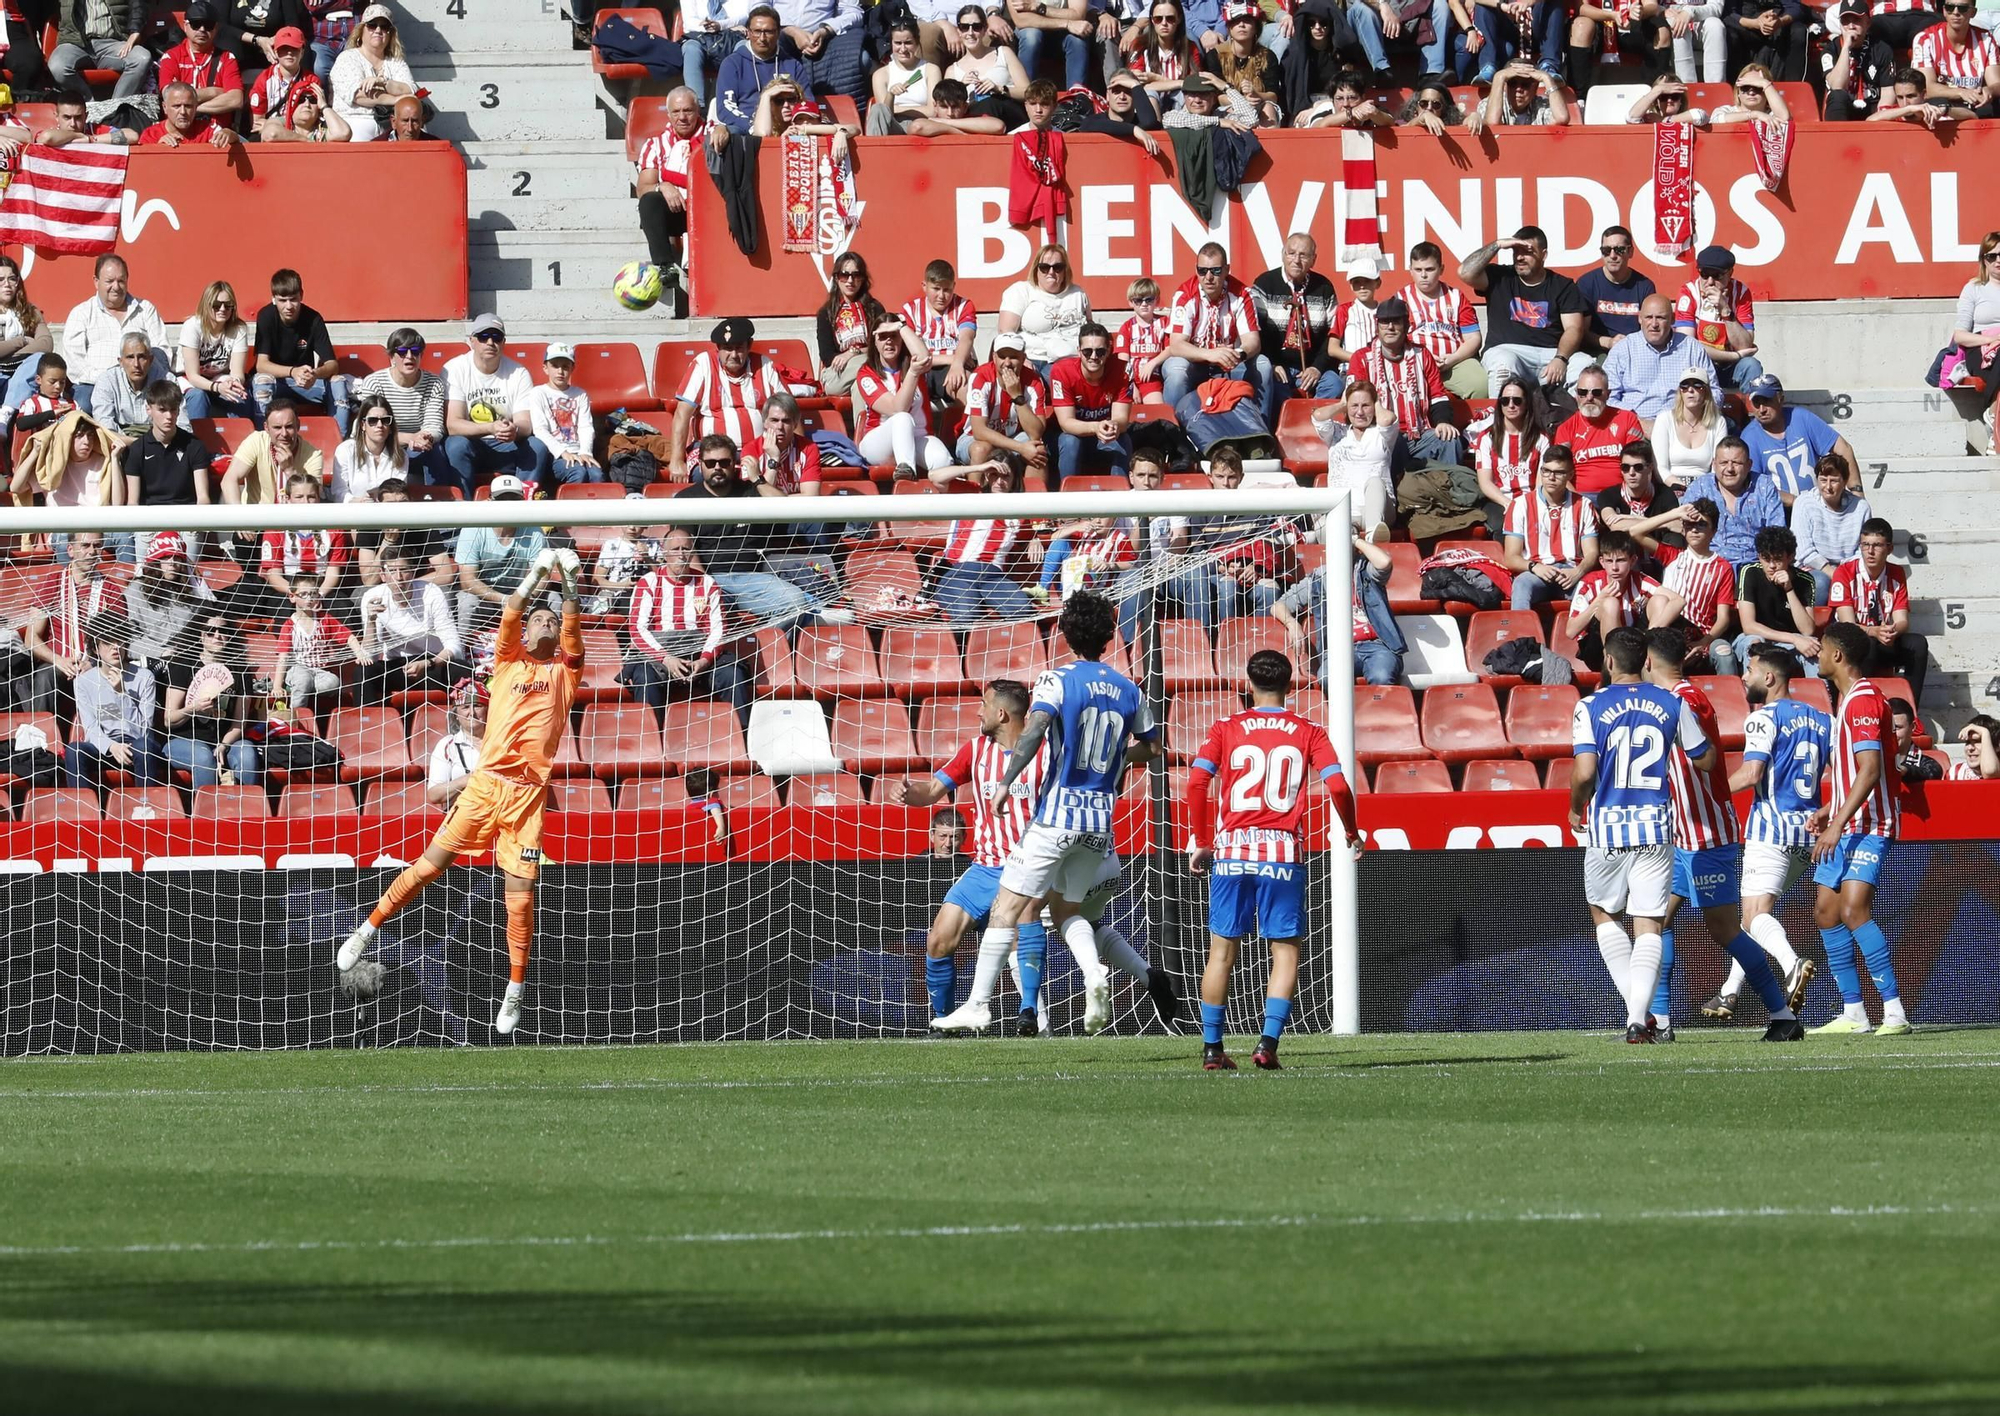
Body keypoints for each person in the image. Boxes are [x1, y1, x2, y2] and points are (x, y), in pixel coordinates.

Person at [339, 547, 587, 1036]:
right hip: (485, 785)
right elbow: (513, 609)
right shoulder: (507, 662)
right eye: (537, 618)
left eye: (549, 621)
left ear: (557, 633)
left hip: (528, 797)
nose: (541, 623)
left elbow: (575, 633)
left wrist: (572, 586)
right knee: (429, 866)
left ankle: (514, 989)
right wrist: (539, 574)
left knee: (520, 898)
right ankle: (367, 930)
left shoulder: (565, 673)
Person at [968, 591, 1164, 1036]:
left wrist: (1004, 781)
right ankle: (1095, 971)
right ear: (1110, 636)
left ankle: (980, 1005)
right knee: (1067, 912)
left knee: (1009, 906)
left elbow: (1035, 728)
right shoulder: (1128, 688)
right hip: (1100, 821)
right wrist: (1118, 761)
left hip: (1058, 814)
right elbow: (1154, 748)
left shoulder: (1055, 680)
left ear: (1064, 632)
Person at [1184, 648, 1355, 1070]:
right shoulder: (1308, 730)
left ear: (1248, 685)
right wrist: (1352, 831)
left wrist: (1202, 839)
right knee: (1286, 951)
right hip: (1282, 850)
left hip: (1232, 850)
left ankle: (1212, 1049)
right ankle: (1267, 1045)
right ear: (1290, 684)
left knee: (1221, 952)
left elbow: (1196, 783)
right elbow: (1337, 787)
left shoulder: (1227, 727)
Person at [1643, 627, 1806, 1042]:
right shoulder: (1679, 698)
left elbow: (1705, 759)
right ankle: (1658, 1022)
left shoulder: (1684, 700)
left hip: (1707, 835)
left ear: (1647, 661)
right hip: (1684, 834)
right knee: (1654, 921)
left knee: (1726, 930)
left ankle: (1782, 1016)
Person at [1568, 626, 1715, 1044]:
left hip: (1609, 828)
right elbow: (1705, 759)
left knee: (1605, 915)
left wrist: (1575, 807)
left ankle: (1639, 1016)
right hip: (1656, 825)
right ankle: (1639, 1019)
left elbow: (1583, 772)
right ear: (1646, 662)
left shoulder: (1589, 706)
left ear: (1609, 662)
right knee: (1648, 924)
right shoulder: (1671, 702)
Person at [895, 679, 1055, 1027]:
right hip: (984, 868)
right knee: (938, 941)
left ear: (1000, 713)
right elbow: (934, 790)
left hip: (1027, 868)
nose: (977, 711)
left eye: (983, 705)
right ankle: (944, 1024)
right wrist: (912, 793)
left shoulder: (1047, 751)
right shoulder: (976, 750)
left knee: (1015, 948)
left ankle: (1038, 1022)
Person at [1702, 642, 1826, 1020]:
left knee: (1754, 916)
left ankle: (1791, 965)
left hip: (1771, 829)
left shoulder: (1763, 717)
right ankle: (1729, 992)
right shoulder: (1824, 720)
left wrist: (1710, 791)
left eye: (1750, 669)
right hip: (1807, 832)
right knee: (1755, 917)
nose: (1744, 676)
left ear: (1769, 677)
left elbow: (1752, 773)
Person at [1805, 622, 1909, 1036]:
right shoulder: (1847, 700)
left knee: (1852, 910)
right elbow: (1856, 774)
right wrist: (1829, 810)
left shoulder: (1864, 700)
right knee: (1826, 913)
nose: (1816, 655)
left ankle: (1895, 1011)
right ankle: (1853, 1012)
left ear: (1838, 656)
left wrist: (1836, 825)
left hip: (1871, 824)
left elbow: (1869, 771)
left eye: (1822, 650)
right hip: (1848, 821)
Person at [673, 435, 821, 629]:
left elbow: (785, 508)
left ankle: (768, 652)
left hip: (752, 579)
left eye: (724, 462)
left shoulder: (750, 491)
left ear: (734, 464)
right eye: (710, 462)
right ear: (701, 465)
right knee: (706, 611)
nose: (717, 467)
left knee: (795, 601)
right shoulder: (686, 499)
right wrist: (703, 586)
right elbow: (684, 549)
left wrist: (757, 479)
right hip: (710, 579)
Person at [621, 527, 757, 727]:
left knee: (733, 674)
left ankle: (742, 739)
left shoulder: (707, 583)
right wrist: (666, 658)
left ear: (693, 552)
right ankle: (650, 744)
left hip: (699, 655)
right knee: (644, 676)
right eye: (675, 549)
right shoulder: (648, 582)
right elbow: (637, 629)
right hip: (661, 656)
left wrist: (704, 661)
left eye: (686, 548)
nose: (681, 554)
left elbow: (718, 629)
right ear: (664, 552)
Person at [1460, 225, 1589, 398]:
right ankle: (1502, 422)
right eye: (1516, 251)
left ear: (1544, 255)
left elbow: (1574, 328)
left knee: (1584, 365)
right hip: (1508, 351)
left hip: (1551, 354)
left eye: (1527, 252)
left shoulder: (1562, 285)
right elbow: (1465, 272)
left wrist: (1561, 358)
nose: (1520, 257)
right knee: (1503, 363)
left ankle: (1577, 424)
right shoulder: (1499, 277)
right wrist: (1497, 245)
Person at [1345, 296, 1462, 472]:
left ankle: (1449, 495)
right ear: (1377, 326)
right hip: (1379, 435)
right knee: (1392, 440)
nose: (1390, 327)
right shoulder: (1361, 358)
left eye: (1396, 321)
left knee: (1449, 439)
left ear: (1406, 325)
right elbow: (1354, 402)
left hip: (1419, 434)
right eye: (1384, 322)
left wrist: (1443, 421)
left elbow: (1438, 395)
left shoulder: (1422, 354)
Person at [1273, 533, 1404, 686]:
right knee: (1328, 677)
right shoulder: (1320, 577)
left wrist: (1354, 539)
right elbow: (1278, 605)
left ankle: (1377, 709)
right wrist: (1292, 624)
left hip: (1377, 645)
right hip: (1338, 649)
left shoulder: (1365, 570)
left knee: (1381, 676)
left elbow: (1384, 562)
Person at [17, 530, 116, 722]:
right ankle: (40, 742)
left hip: (96, 664)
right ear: (70, 550)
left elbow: (119, 640)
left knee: (112, 675)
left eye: (97, 546)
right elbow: (31, 638)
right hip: (59, 664)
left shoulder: (111, 589)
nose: (92, 552)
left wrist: (95, 662)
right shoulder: (52, 583)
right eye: (85, 545)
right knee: (46, 676)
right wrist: (58, 660)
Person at [1830, 517, 1929, 701]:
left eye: (1877, 545)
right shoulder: (1844, 572)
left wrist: (1891, 631)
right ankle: (1860, 706)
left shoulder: (1897, 573)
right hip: (1851, 643)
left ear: (1889, 549)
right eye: (1865, 545)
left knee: (1918, 645)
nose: (1870, 551)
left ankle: (1910, 710)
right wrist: (1873, 631)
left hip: (1882, 638)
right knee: (1868, 644)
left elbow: (1902, 621)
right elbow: (1847, 625)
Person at [1162, 241, 1268, 412]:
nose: (1208, 277)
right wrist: (1210, 354)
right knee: (1176, 369)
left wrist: (1238, 355)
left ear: (1227, 269)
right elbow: (1176, 345)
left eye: (1215, 271)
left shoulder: (1242, 294)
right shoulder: (1185, 295)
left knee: (1263, 365)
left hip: (1230, 361)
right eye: (1202, 271)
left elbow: (1253, 341)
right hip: (1195, 362)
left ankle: (1260, 432)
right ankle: (1172, 433)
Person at [162, 610, 262, 789]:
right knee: (203, 757)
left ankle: (247, 810)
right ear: (201, 635)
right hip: (184, 741)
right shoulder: (182, 665)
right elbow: (169, 720)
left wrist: (224, 745)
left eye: (223, 631)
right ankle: (207, 813)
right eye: (210, 631)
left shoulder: (240, 670)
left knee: (246, 753)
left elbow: (239, 723)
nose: (217, 636)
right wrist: (193, 709)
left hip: (226, 741)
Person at [1564, 529, 1683, 672]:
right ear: (1601, 562)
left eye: (1620, 560)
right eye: (1609, 561)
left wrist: (1649, 635)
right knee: (1610, 603)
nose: (1614, 567)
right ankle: (1616, 670)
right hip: (1597, 650)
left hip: (1634, 644)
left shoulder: (1639, 579)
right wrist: (1598, 601)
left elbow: (1679, 601)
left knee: (1660, 600)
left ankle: (1650, 666)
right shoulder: (1590, 583)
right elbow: (1571, 631)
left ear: (1633, 561)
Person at [1250, 232, 1344, 414]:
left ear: (1313, 259)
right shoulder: (1264, 284)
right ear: (1283, 254)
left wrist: (1317, 367)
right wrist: (1273, 364)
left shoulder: (1324, 287)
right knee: (1273, 388)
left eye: (1303, 255)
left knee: (1335, 384)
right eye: (1291, 253)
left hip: (1311, 367)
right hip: (1278, 367)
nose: (1296, 260)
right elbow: (1256, 331)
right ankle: (1281, 432)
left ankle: (1313, 424)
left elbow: (1333, 333)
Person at [442, 313, 537, 492]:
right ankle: (464, 511)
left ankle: (525, 508)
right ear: (472, 341)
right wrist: (491, 427)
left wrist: (514, 430)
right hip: (472, 443)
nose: (490, 343)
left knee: (537, 447)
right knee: (455, 445)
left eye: (496, 337)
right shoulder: (455, 368)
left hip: (506, 443)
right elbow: (453, 425)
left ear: (504, 342)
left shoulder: (519, 372)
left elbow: (525, 423)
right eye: (483, 337)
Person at [254, 269, 351, 434]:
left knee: (338, 382)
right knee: (261, 381)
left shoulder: (313, 319)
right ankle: (263, 442)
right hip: (279, 382)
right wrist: (293, 371)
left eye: (293, 299)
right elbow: (261, 365)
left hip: (307, 383)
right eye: (282, 300)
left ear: (302, 295)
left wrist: (315, 374)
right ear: (273, 299)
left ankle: (338, 444)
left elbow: (332, 364)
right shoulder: (266, 316)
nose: (288, 306)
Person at [67, 626, 165, 791]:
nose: (116, 647)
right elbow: (90, 728)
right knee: (74, 750)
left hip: (138, 746)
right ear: (95, 649)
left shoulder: (144, 677)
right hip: (106, 747)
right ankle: (84, 811)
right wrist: (111, 746)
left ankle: (146, 807)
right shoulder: (83, 682)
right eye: (107, 642)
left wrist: (121, 694)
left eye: (119, 641)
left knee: (143, 746)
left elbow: (143, 730)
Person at [356, 551, 461, 703]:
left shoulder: (431, 592)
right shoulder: (372, 597)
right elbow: (369, 656)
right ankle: (367, 723)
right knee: (363, 671)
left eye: (404, 570)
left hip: (431, 663)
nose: (399, 577)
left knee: (461, 668)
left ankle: (465, 723)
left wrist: (428, 663)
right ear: (383, 575)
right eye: (392, 571)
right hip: (397, 665)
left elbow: (455, 646)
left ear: (412, 573)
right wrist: (371, 621)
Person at [935, 458, 1033, 621]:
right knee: (967, 616)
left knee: (1022, 610)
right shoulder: (971, 494)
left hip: (994, 577)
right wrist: (979, 467)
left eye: (1006, 476)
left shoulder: (1020, 512)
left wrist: (1034, 539)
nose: (1000, 482)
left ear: (1014, 480)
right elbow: (935, 477)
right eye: (994, 475)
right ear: (987, 476)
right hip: (959, 572)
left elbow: (1042, 531)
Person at [1740, 374, 1858, 507]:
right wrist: (1797, 503)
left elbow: (1843, 449)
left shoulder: (1801, 417)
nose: (1761, 409)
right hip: (1779, 512)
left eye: (1767, 401)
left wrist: (1857, 492)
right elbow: (1755, 485)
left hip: (1819, 504)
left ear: (1781, 399)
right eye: (1756, 403)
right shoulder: (1749, 437)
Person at [1503, 445, 1598, 609]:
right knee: (1521, 585)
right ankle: (1521, 634)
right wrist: (1535, 567)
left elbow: (1592, 552)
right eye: (1546, 471)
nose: (1551, 477)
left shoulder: (1584, 505)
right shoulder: (1519, 505)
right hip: (1536, 572)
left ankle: (1588, 634)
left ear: (1570, 474)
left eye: (1559, 473)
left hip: (1571, 571)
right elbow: (1511, 557)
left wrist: (1578, 572)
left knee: (1595, 589)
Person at [354, 329, 449, 489]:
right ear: (391, 357)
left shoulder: (434, 383)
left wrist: (425, 439)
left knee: (436, 449)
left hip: (418, 447)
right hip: (383, 444)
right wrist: (410, 438)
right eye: (403, 352)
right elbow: (368, 427)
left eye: (416, 351)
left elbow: (434, 426)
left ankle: (438, 499)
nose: (410, 356)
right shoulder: (374, 382)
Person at [854, 317, 950, 476]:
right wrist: (913, 373)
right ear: (875, 343)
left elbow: (924, 356)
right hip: (878, 442)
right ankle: (906, 471)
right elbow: (897, 408)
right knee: (902, 418)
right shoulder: (866, 374)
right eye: (883, 337)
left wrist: (901, 326)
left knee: (943, 461)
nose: (889, 342)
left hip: (919, 436)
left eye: (894, 336)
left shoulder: (914, 363)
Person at [1602, 294, 1716, 424]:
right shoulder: (1622, 349)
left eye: (1661, 318)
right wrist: (1637, 421)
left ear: (1673, 319)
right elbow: (1607, 397)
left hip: (1684, 425)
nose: (1654, 324)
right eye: (1649, 317)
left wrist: (1694, 417)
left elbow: (1714, 392)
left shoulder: (1692, 348)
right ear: (1640, 318)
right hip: (1634, 427)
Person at [454, 474, 546, 636]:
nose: (508, 505)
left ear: (522, 502)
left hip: (524, 597)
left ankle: (552, 655)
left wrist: (521, 598)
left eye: (513, 499)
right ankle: (461, 656)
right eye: (502, 499)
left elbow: (542, 578)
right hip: (485, 598)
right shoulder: (473, 529)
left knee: (554, 600)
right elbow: (467, 581)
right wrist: (503, 599)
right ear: (490, 501)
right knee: (467, 602)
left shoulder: (534, 531)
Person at [1659, 499, 1740, 674]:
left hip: (1706, 637)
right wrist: (1675, 514)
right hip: (1673, 634)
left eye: (1702, 524)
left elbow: (1723, 619)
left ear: (1714, 531)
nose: (1694, 529)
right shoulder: (1672, 556)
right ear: (1683, 528)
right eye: (1689, 524)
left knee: (1724, 653)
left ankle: (1730, 701)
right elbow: (1635, 533)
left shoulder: (1723, 567)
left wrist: (1703, 643)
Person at [1046, 322, 1133, 482]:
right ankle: (1068, 499)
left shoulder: (1123, 371)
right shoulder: (1061, 371)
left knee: (1123, 439)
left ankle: (1120, 497)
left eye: (1100, 351)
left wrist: (1113, 426)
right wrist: (1096, 426)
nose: (1093, 356)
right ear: (1079, 351)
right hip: (1066, 438)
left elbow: (1122, 419)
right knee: (1070, 440)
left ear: (1108, 352)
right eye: (1087, 351)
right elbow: (1066, 423)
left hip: (1102, 437)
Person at [1311, 379, 1396, 542]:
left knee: (1375, 481)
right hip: (1344, 510)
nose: (1360, 412)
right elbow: (1318, 416)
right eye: (1354, 406)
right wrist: (1342, 403)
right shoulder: (1337, 432)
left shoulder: (1382, 434)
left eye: (1366, 405)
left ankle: (1374, 535)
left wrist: (1376, 401)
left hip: (1379, 510)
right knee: (1323, 528)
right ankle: (1354, 540)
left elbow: (1387, 420)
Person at [1401, 240, 1487, 402]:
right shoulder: (1400, 299)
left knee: (1481, 384)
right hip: (1416, 363)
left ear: (1441, 269)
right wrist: (1423, 359)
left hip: (1454, 362)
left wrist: (1451, 359)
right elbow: (1394, 339)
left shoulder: (1456, 297)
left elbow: (1473, 338)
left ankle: (1475, 424)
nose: (1424, 275)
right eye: (1418, 270)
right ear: (1410, 270)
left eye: (1430, 269)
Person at [1674, 245, 1764, 393]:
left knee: (1752, 365)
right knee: (1686, 364)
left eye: (1716, 275)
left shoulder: (1741, 292)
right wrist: (1733, 356)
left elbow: (1745, 345)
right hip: (1701, 363)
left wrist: (1725, 310)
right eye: (1704, 274)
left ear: (1730, 273)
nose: (1709, 282)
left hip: (1732, 367)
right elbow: (1688, 346)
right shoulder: (1688, 292)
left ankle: (1751, 412)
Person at [1684, 437, 1784, 569]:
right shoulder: (1700, 487)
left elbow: (1776, 532)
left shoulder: (1764, 486)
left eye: (1737, 463)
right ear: (1714, 464)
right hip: (1711, 565)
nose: (1730, 468)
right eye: (1723, 463)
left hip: (1756, 565)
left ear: (1749, 465)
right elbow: (1688, 529)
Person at [1732, 524, 1820, 672]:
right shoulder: (1749, 573)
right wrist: (1793, 639)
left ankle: (1818, 694)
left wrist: (1789, 589)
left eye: (1778, 559)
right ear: (1759, 556)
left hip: (1790, 641)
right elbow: (1749, 626)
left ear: (1790, 557)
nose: (1772, 565)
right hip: (1757, 637)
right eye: (1766, 559)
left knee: (1813, 646)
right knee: (1755, 644)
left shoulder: (1805, 580)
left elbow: (1807, 630)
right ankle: (1755, 693)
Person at [1468, 375, 1548, 533]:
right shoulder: (1486, 438)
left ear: (1526, 404)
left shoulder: (1541, 438)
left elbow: (1541, 482)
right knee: (1504, 525)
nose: (1511, 405)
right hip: (1498, 500)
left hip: (1532, 499)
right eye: (1505, 401)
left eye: (1517, 401)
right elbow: (1485, 483)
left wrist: (1528, 505)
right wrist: (1507, 503)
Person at [124, 531, 215, 668]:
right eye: (166, 557)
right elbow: (129, 642)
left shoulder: (194, 590)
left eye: (176, 558)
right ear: (156, 560)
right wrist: (161, 652)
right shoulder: (136, 591)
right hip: (149, 661)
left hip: (188, 659)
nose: (172, 563)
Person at [959, 331, 1049, 470]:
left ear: (1023, 357)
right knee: (981, 449)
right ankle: (975, 491)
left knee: (1037, 451)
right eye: (1002, 356)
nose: (1007, 363)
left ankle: (1033, 491)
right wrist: (1020, 448)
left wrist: (1017, 397)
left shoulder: (1034, 381)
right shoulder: (981, 377)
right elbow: (979, 431)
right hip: (975, 439)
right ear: (994, 357)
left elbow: (1036, 433)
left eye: (1013, 357)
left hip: (1014, 435)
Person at [997, 243, 1091, 374]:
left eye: (1058, 267)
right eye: (1045, 267)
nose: (1051, 272)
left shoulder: (1078, 293)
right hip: (1035, 359)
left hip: (1074, 360)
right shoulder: (1021, 291)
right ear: (1036, 269)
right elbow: (1005, 331)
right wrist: (1021, 359)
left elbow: (1090, 331)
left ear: (1065, 271)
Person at [900, 259, 979, 412]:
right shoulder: (910, 310)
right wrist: (955, 358)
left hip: (951, 370)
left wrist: (956, 365)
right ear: (924, 286)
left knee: (966, 388)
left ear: (954, 286)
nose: (941, 296)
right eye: (936, 289)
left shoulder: (964, 306)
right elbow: (913, 355)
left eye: (947, 289)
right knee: (900, 390)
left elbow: (967, 337)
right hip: (920, 371)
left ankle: (969, 433)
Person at [1552, 365, 1644, 496]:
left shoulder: (1627, 419)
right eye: (1583, 392)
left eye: (1596, 393)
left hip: (1622, 496)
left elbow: (1639, 464)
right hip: (1581, 497)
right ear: (1576, 395)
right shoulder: (1566, 429)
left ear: (1608, 394)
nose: (1589, 397)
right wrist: (1579, 504)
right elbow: (1559, 473)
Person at [121, 382, 214, 512]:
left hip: (186, 518)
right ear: (148, 409)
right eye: (162, 410)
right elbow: (133, 503)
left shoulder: (194, 446)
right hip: (148, 519)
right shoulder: (137, 449)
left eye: (173, 409)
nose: (169, 416)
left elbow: (203, 498)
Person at [274, 580, 367, 710]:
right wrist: (277, 686)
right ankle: (296, 714)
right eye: (304, 594)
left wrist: (359, 653)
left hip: (319, 671)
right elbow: (283, 657)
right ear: (292, 597)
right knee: (302, 679)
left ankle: (300, 689)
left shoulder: (325, 619)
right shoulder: (289, 626)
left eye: (313, 594)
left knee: (333, 682)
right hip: (297, 668)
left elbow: (349, 636)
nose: (309, 598)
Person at [1792, 456, 1872, 605]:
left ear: (1845, 481)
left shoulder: (1861, 507)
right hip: (1811, 568)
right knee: (1821, 583)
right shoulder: (1804, 503)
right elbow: (1803, 551)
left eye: (1834, 481)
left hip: (1848, 568)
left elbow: (1863, 549)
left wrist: (1844, 571)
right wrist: (1832, 572)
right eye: (1823, 480)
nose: (1828, 486)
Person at [329, 4, 416, 141]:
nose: (378, 30)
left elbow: (410, 89)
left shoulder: (396, 62)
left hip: (393, 123)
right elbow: (359, 96)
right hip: (356, 120)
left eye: (384, 26)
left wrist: (383, 83)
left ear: (390, 33)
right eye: (372, 25)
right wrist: (395, 99)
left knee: (416, 127)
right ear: (361, 30)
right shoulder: (348, 58)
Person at [222, 397, 320, 513]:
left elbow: (313, 499)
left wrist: (290, 471)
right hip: (255, 521)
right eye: (277, 428)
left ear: (297, 426)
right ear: (266, 428)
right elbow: (229, 480)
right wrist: (240, 518)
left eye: (289, 427)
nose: (284, 434)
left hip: (295, 520)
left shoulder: (314, 455)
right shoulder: (256, 441)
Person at [1595, 441, 1685, 565]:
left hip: (1657, 554)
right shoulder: (1609, 494)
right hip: (1623, 558)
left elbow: (1677, 525)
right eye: (1625, 467)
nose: (1631, 473)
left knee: (1675, 538)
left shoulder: (1665, 493)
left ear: (1650, 468)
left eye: (1638, 467)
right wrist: (1665, 523)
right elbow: (1616, 526)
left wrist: (1631, 519)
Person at [177, 281, 255, 422]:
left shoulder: (238, 329)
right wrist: (217, 387)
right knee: (198, 396)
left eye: (228, 305)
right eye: (217, 305)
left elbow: (237, 373)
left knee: (239, 394)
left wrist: (235, 383)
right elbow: (193, 375)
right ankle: (198, 441)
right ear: (206, 305)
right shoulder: (192, 327)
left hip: (220, 376)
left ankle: (240, 439)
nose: (223, 309)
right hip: (189, 379)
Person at [159, 2, 246, 125]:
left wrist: (193, 109)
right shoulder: (171, 57)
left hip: (217, 134)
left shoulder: (227, 58)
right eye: (196, 24)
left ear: (216, 28)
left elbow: (236, 100)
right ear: (185, 26)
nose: (202, 29)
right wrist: (215, 92)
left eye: (208, 25)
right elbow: (170, 97)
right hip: (180, 132)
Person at [774, 0, 871, 110]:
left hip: (825, 35)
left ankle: (842, 113)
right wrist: (790, 31)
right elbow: (756, 9)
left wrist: (827, 29)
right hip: (778, 31)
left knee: (862, 59)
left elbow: (853, 12)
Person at [50, 0, 155, 98]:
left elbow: (138, 3)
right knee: (57, 66)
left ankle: (116, 109)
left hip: (112, 42)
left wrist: (135, 30)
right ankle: (88, 107)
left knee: (141, 59)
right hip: (74, 43)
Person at [526, 345, 599, 485]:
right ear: (545, 368)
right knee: (578, 472)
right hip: (554, 455)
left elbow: (586, 427)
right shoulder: (538, 393)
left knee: (596, 474)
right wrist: (562, 452)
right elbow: (540, 430)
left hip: (578, 451)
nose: (560, 371)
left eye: (565, 366)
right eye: (555, 366)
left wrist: (586, 452)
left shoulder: (580, 394)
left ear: (572, 368)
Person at [815, 254, 886, 399]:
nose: (850, 281)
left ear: (863, 279)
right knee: (869, 370)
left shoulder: (874, 308)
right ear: (836, 278)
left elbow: (882, 346)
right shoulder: (826, 313)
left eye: (856, 275)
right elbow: (827, 356)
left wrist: (852, 353)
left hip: (869, 363)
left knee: (863, 384)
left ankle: (862, 423)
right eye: (844, 275)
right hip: (838, 375)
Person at [1939, 230, 2000, 396]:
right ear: (1983, 260)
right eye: (1992, 256)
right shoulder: (1974, 289)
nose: (1998, 261)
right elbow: (1960, 336)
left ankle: (1994, 413)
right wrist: (1992, 339)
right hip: (1980, 349)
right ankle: (1994, 410)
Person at [1912, 0, 2000, 115]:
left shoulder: (1986, 39)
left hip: (1976, 102)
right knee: (1938, 105)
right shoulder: (1925, 39)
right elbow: (1927, 87)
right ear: (1944, 11)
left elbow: (1996, 83)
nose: (1955, 12)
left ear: (1973, 12)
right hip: (1942, 104)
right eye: (1950, 7)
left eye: (1962, 8)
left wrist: (1989, 91)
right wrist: (1961, 92)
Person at [94, 335, 184, 440]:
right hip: (121, 444)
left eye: (142, 357)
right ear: (121, 361)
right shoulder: (107, 381)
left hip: (161, 442)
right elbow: (105, 427)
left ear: (150, 360)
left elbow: (183, 424)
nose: (136, 364)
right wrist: (138, 445)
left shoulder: (167, 380)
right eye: (130, 357)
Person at [1650, 366, 1726, 489]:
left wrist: (1699, 489)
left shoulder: (1718, 422)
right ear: (1680, 391)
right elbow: (1661, 469)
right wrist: (1681, 488)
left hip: (1705, 488)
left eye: (1697, 385)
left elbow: (1716, 467)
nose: (1690, 390)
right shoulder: (1664, 420)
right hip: (1670, 488)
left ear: (1706, 391)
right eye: (1684, 386)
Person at [1822, 1, 1898, 120]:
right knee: (1837, 96)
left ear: (1868, 23)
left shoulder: (1882, 49)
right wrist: (1846, 47)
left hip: (1873, 108)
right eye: (1845, 21)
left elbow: (1888, 92)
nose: (1851, 26)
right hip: (1843, 109)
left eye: (1856, 20)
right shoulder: (1831, 49)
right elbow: (1837, 85)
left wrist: (1877, 120)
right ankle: (1837, 138)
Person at [866, 19, 943, 133]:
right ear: (891, 43)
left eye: (908, 43)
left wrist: (898, 108)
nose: (903, 49)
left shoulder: (931, 70)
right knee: (877, 109)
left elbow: (933, 111)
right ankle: (876, 149)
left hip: (921, 125)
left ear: (917, 42)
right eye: (898, 43)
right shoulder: (881, 74)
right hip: (892, 125)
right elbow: (883, 114)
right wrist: (891, 95)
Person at [332, 393, 410, 503]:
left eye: (385, 420)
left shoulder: (401, 455)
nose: (379, 425)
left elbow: (398, 493)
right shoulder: (346, 450)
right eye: (372, 420)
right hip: (353, 513)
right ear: (363, 425)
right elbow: (339, 491)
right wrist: (356, 501)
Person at [428, 678, 487, 808]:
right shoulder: (448, 745)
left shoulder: (501, 742)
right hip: (461, 817)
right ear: (456, 714)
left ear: (488, 710)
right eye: (465, 707)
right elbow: (434, 794)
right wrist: (466, 780)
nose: (472, 713)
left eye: (477, 706)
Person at [1466, 60, 1571, 133]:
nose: (1519, 89)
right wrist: (1499, 77)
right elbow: (1493, 122)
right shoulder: (1488, 103)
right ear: (1505, 86)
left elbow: (1562, 118)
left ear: (1535, 88)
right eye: (1512, 83)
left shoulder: (1542, 104)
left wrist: (1546, 78)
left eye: (1525, 84)